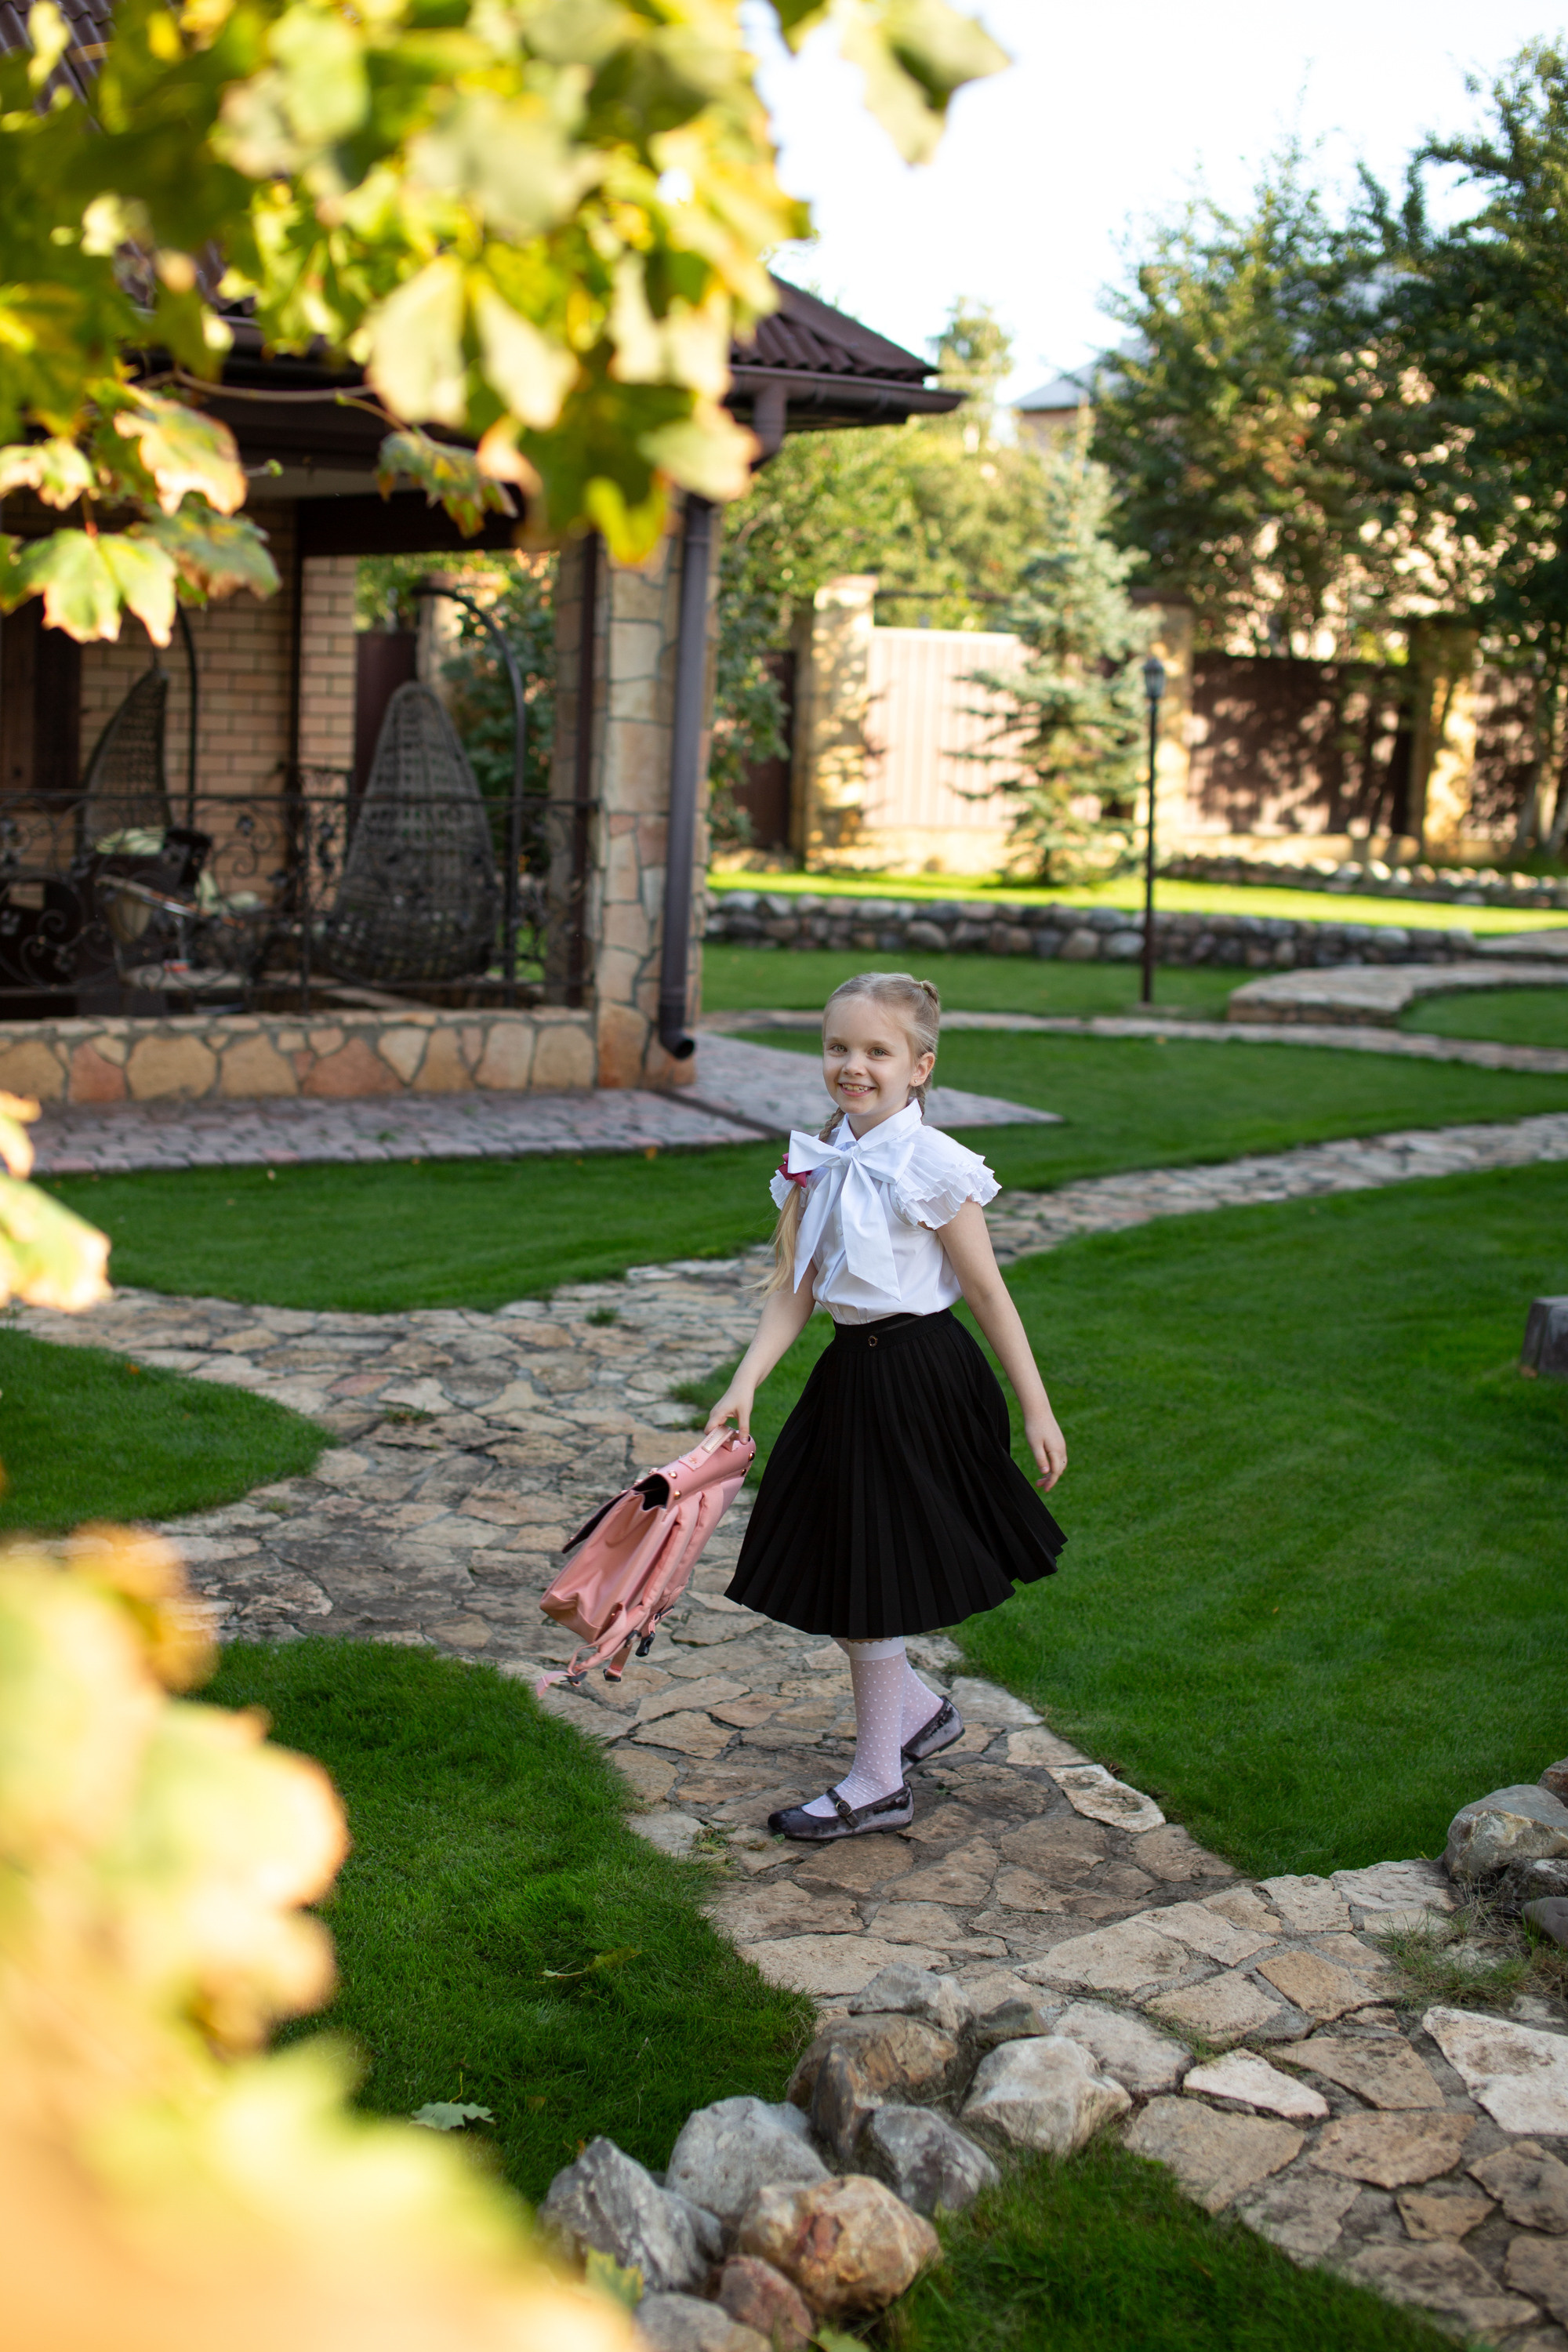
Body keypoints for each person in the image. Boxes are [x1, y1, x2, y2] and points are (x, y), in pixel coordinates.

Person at [706, 970, 1066, 1843]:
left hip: (919, 1378)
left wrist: (1037, 1408)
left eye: (876, 1050)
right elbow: (798, 1287)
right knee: (826, 1554)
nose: (853, 1065)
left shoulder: (931, 1165)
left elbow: (987, 1292)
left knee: (866, 1577)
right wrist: (745, 1379)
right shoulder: (818, 1154)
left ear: (920, 1066)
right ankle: (914, 1712)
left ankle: (878, 1783)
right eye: (838, 1047)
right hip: (849, 1374)